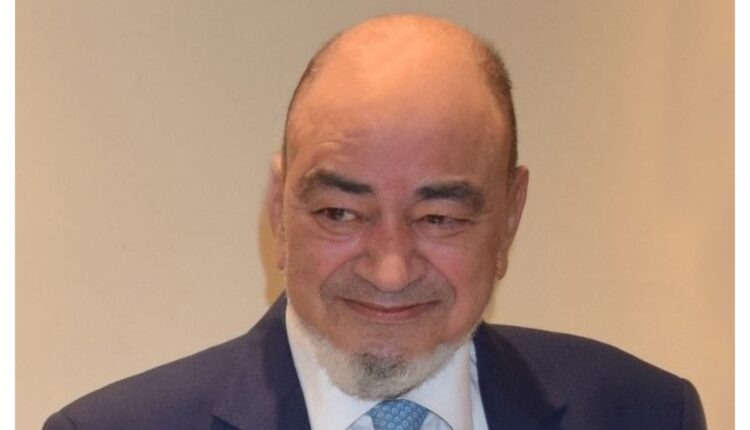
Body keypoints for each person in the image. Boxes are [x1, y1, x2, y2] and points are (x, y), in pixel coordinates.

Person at [43, 14, 706, 430]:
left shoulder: (646, 413)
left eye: (439, 217)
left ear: (509, 220)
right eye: (340, 213)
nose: (390, 271)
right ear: (279, 212)